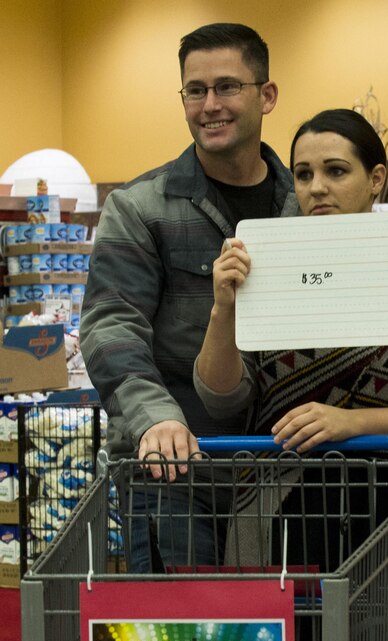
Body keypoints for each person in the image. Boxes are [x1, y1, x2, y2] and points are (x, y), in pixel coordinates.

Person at [194, 108, 388, 641]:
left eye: (335, 170)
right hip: (279, 522)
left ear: (375, 179)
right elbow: (221, 399)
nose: (316, 187)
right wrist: (224, 308)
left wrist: (352, 422)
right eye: (302, 174)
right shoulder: (261, 272)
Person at [81, 23, 298, 572]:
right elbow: (111, 327)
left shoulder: (305, 207)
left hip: (291, 473)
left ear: (266, 95)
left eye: (227, 87)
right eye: (195, 91)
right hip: (177, 473)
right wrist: (155, 421)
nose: (209, 105)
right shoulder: (139, 208)